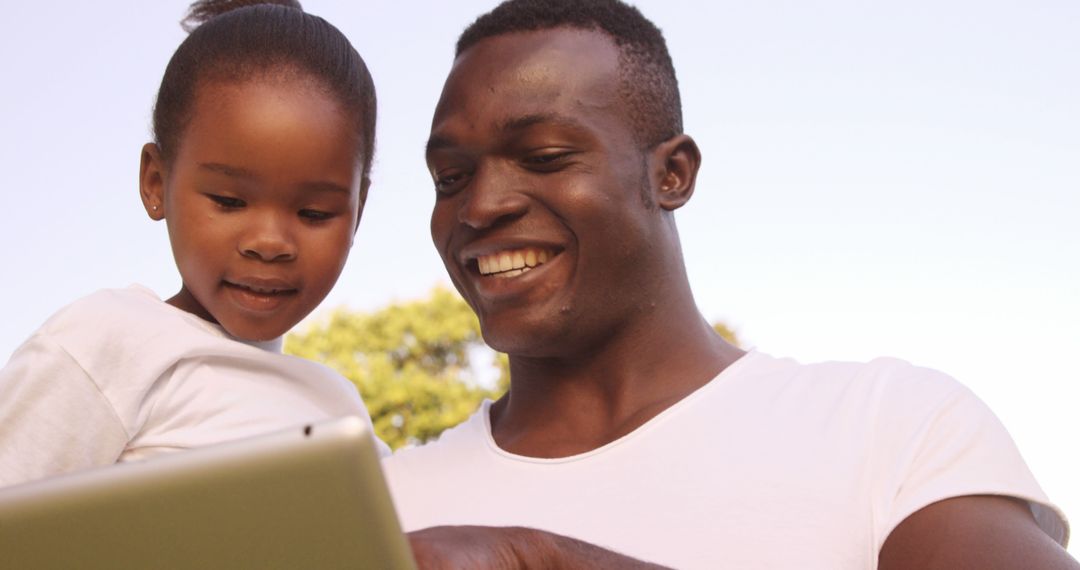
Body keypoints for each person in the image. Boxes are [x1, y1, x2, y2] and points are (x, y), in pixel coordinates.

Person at [382, 0, 1075, 568]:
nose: (480, 206)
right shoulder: (382, 507)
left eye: (544, 157)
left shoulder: (889, 427)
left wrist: (548, 560)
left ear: (672, 174)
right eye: (451, 178)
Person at [0, 0, 384, 487]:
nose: (269, 243)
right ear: (156, 182)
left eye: (313, 213)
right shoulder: (106, 344)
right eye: (228, 200)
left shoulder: (341, 409)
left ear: (358, 212)